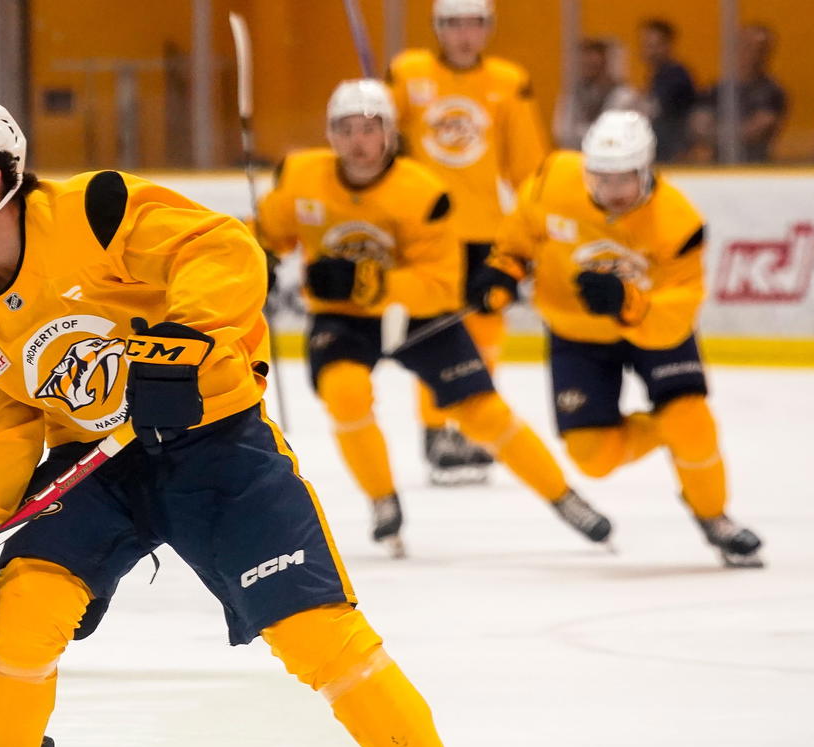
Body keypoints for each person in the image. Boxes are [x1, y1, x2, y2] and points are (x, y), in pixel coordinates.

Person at [0, 96, 511, 747]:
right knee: (25, 609)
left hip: (216, 445)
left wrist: (185, 340)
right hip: (97, 464)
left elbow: (223, 248)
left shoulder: (98, 209)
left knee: (314, 630)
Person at [257, 80, 612, 556]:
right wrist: (257, 258)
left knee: (482, 413)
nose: (358, 141)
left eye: (369, 128)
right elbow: (270, 234)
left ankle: (563, 497)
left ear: (390, 133)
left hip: (419, 316)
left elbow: (441, 284)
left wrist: (366, 282)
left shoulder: (423, 192)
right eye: (345, 130)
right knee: (345, 393)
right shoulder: (299, 175)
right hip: (343, 319)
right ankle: (383, 500)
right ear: (330, 134)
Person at [477, 111, 763, 567]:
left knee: (690, 418)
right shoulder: (553, 180)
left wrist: (629, 302)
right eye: (600, 177)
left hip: (650, 329)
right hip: (577, 332)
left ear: (645, 169)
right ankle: (663, 429)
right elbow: (519, 238)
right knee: (592, 457)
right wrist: (503, 272)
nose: (610, 191)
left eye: (623, 179)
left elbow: (681, 308)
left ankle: (715, 516)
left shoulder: (677, 221)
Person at [389, 0, 549, 484]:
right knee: (434, 332)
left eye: (475, 23)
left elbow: (528, 165)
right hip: (427, 232)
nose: (464, 34)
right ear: (438, 28)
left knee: (486, 329)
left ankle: (473, 424)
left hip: (485, 229)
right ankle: (437, 431)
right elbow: (381, 144)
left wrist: (536, 226)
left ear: (488, 28)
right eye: (454, 23)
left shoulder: (507, 81)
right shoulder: (409, 73)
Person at [686, 24, 788, 163]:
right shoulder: (717, 90)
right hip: (716, 164)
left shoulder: (771, 92)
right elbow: (699, 126)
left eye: (761, 50)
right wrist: (733, 133)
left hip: (755, 166)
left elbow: (757, 130)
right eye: (747, 47)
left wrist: (716, 133)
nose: (753, 54)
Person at [552, 38, 645, 150]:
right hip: (577, 159)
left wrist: (586, 134)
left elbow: (618, 136)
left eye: (596, 66)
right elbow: (562, 133)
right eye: (586, 65)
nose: (590, 70)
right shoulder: (572, 95)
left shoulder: (625, 96)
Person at [637, 19, 698, 162]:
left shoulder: (676, 75)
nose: (648, 51)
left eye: (653, 45)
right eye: (645, 45)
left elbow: (659, 112)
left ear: (667, 46)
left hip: (674, 151)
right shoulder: (656, 76)